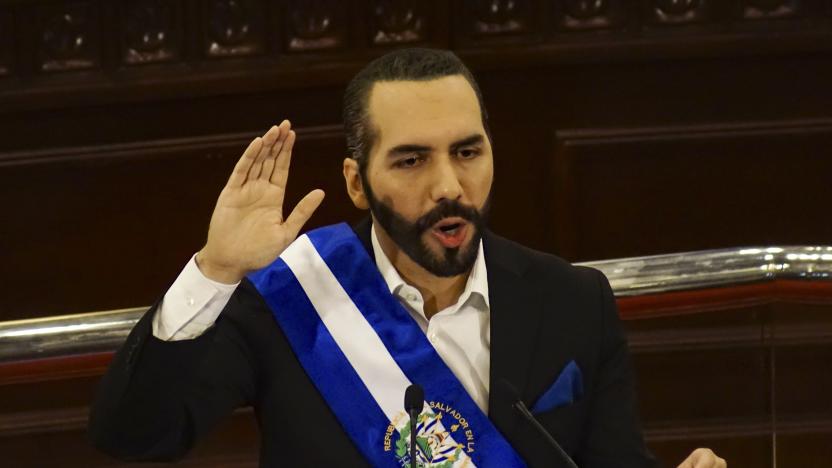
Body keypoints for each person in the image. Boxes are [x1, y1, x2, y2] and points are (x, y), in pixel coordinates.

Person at [89, 48, 726, 468]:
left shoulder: (573, 300)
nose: (449, 185)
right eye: (412, 159)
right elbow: (135, 434)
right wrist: (215, 270)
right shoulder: (285, 301)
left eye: (468, 152)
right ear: (357, 182)